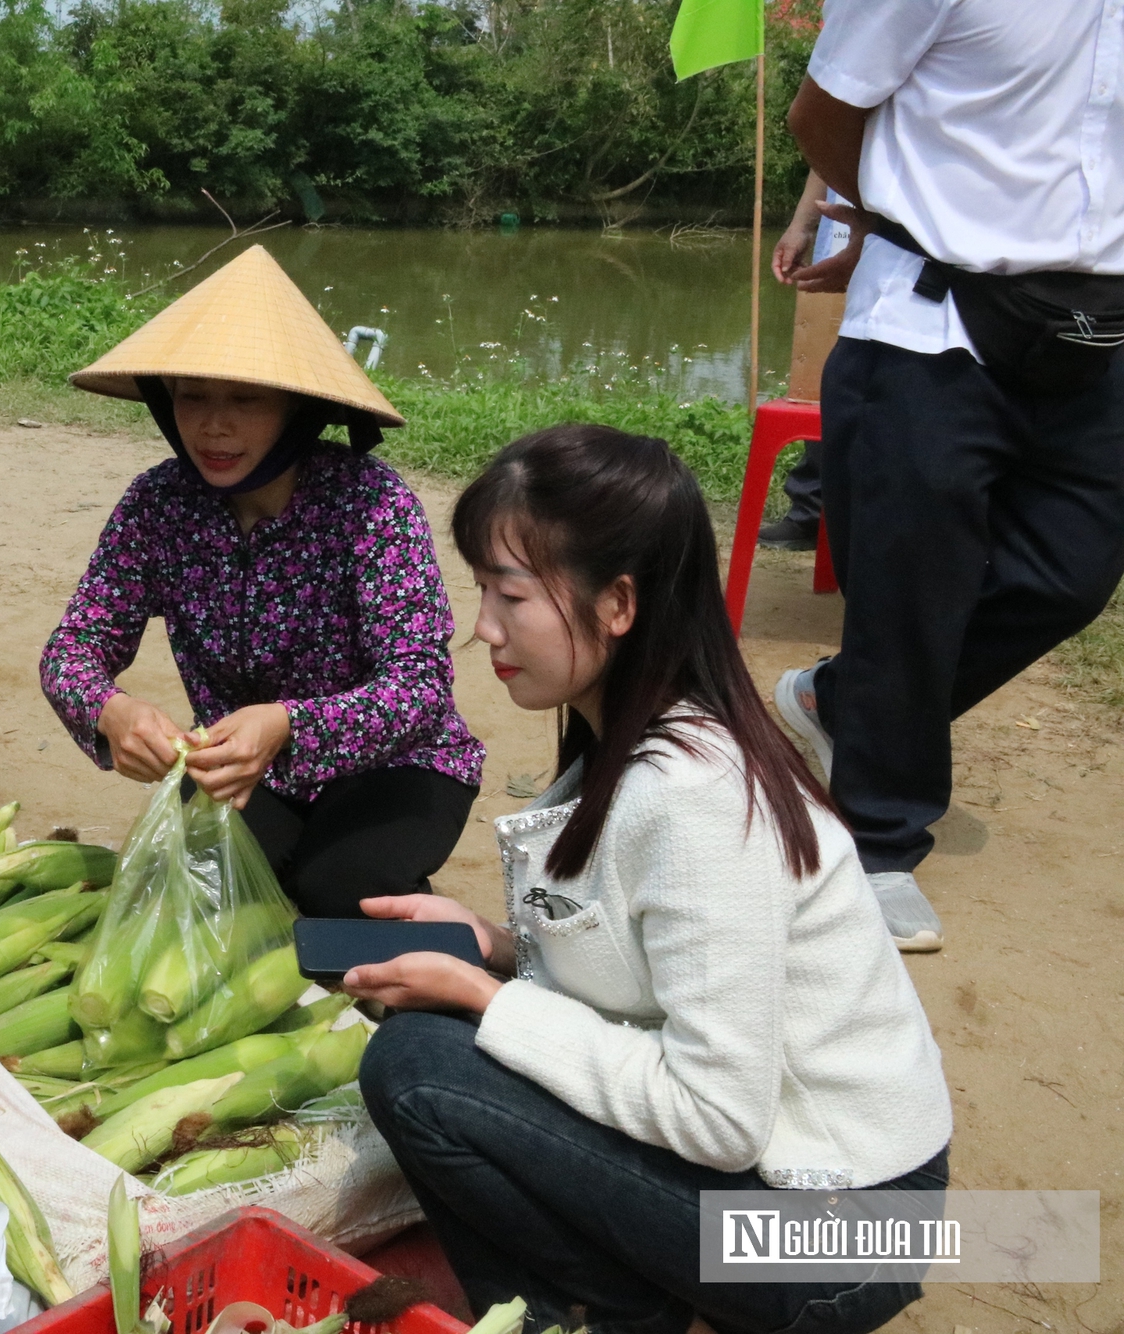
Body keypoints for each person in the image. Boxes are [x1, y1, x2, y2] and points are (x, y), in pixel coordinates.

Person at [346, 424, 951, 1334]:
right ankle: (607, 1307)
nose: (485, 627)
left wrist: (486, 998)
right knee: (443, 1045)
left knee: (421, 1068)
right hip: (790, 1186)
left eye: (511, 593)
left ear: (619, 603)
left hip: (846, 1229)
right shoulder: (628, 736)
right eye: (482, 590)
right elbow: (649, 972)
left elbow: (717, 1117)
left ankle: (605, 1316)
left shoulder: (693, 795)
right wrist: (496, 949)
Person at [777, 0, 1124, 951]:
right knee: (910, 593)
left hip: (1091, 331)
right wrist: (899, 216)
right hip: (933, 319)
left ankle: (838, 703)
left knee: (1072, 573)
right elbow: (823, 111)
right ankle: (877, 842)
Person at [40, 245, 486, 918]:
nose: (213, 426)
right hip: (243, 770)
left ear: (297, 409)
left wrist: (288, 725)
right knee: (187, 888)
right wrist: (108, 709)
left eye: (245, 400)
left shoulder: (372, 503)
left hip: (397, 762)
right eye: (192, 397)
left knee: (340, 889)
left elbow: (419, 687)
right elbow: (73, 647)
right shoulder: (157, 506)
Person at [759, 168, 852, 551]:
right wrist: (802, 225)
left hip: (921, 248)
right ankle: (811, 510)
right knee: (822, 379)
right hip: (843, 232)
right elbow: (823, 154)